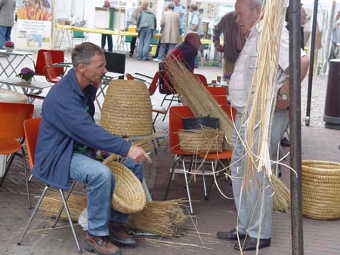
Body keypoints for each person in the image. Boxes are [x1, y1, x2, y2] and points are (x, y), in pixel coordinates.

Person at [33, 42, 150, 255]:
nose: (105, 70)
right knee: (101, 173)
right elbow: (86, 131)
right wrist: (125, 147)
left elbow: (87, 129)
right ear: (81, 69)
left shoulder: (84, 87)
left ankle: (115, 222)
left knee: (134, 163)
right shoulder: (62, 97)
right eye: (100, 66)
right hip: (60, 155)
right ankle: (96, 233)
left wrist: (113, 149)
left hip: (79, 148)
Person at [216, 0, 310, 251]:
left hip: (263, 115)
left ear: (258, 12)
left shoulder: (274, 33)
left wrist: (285, 93)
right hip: (247, 114)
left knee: (256, 172)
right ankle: (244, 227)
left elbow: (301, 61)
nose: (237, 20)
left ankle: (259, 233)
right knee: (239, 170)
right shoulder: (256, 34)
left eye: (240, 14)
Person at [213, 11, 246, 81]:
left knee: (243, 82)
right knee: (227, 82)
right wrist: (217, 44)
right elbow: (216, 30)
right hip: (230, 56)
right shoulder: (227, 18)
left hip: (245, 56)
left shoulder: (250, 17)